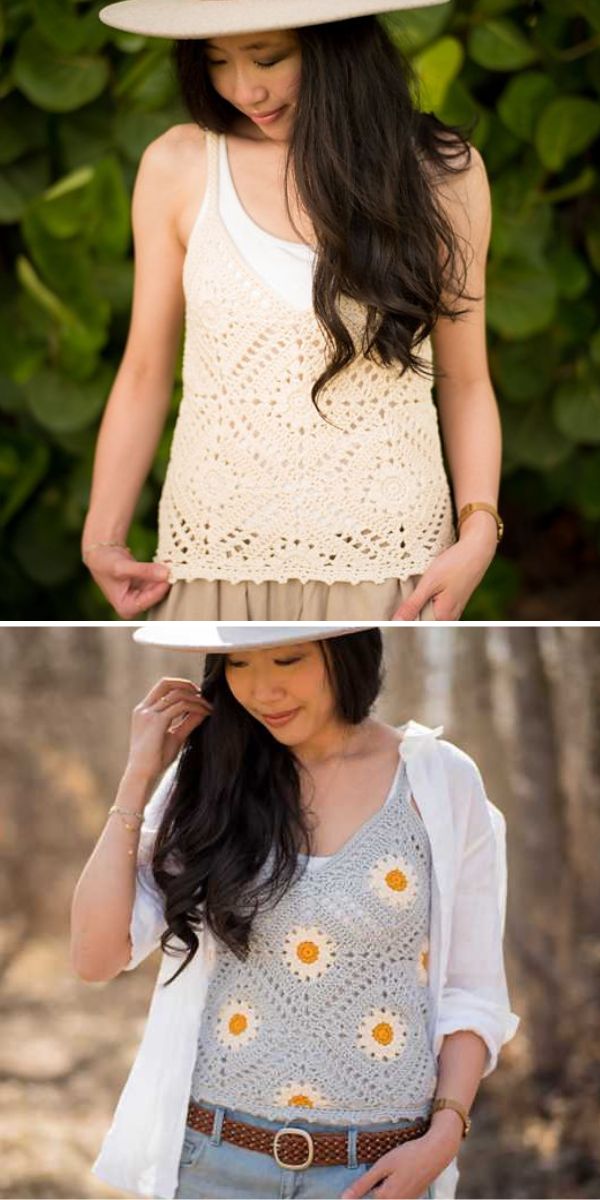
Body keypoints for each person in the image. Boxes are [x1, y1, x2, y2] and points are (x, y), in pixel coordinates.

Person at [81, 0, 503, 623]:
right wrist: (102, 535)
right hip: (211, 556)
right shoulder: (178, 165)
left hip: (392, 564)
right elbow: (145, 369)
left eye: (268, 57)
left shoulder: (441, 172)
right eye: (217, 60)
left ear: (336, 46)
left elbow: (466, 381)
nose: (243, 89)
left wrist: (478, 534)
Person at [70, 622, 519, 1200]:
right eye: (238, 665)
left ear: (348, 652)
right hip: (215, 1165)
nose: (262, 691)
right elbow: (95, 957)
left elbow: (472, 991)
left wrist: (444, 1136)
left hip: (380, 1170)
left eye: (288, 660)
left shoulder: (441, 780)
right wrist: (136, 778)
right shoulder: (211, 780)